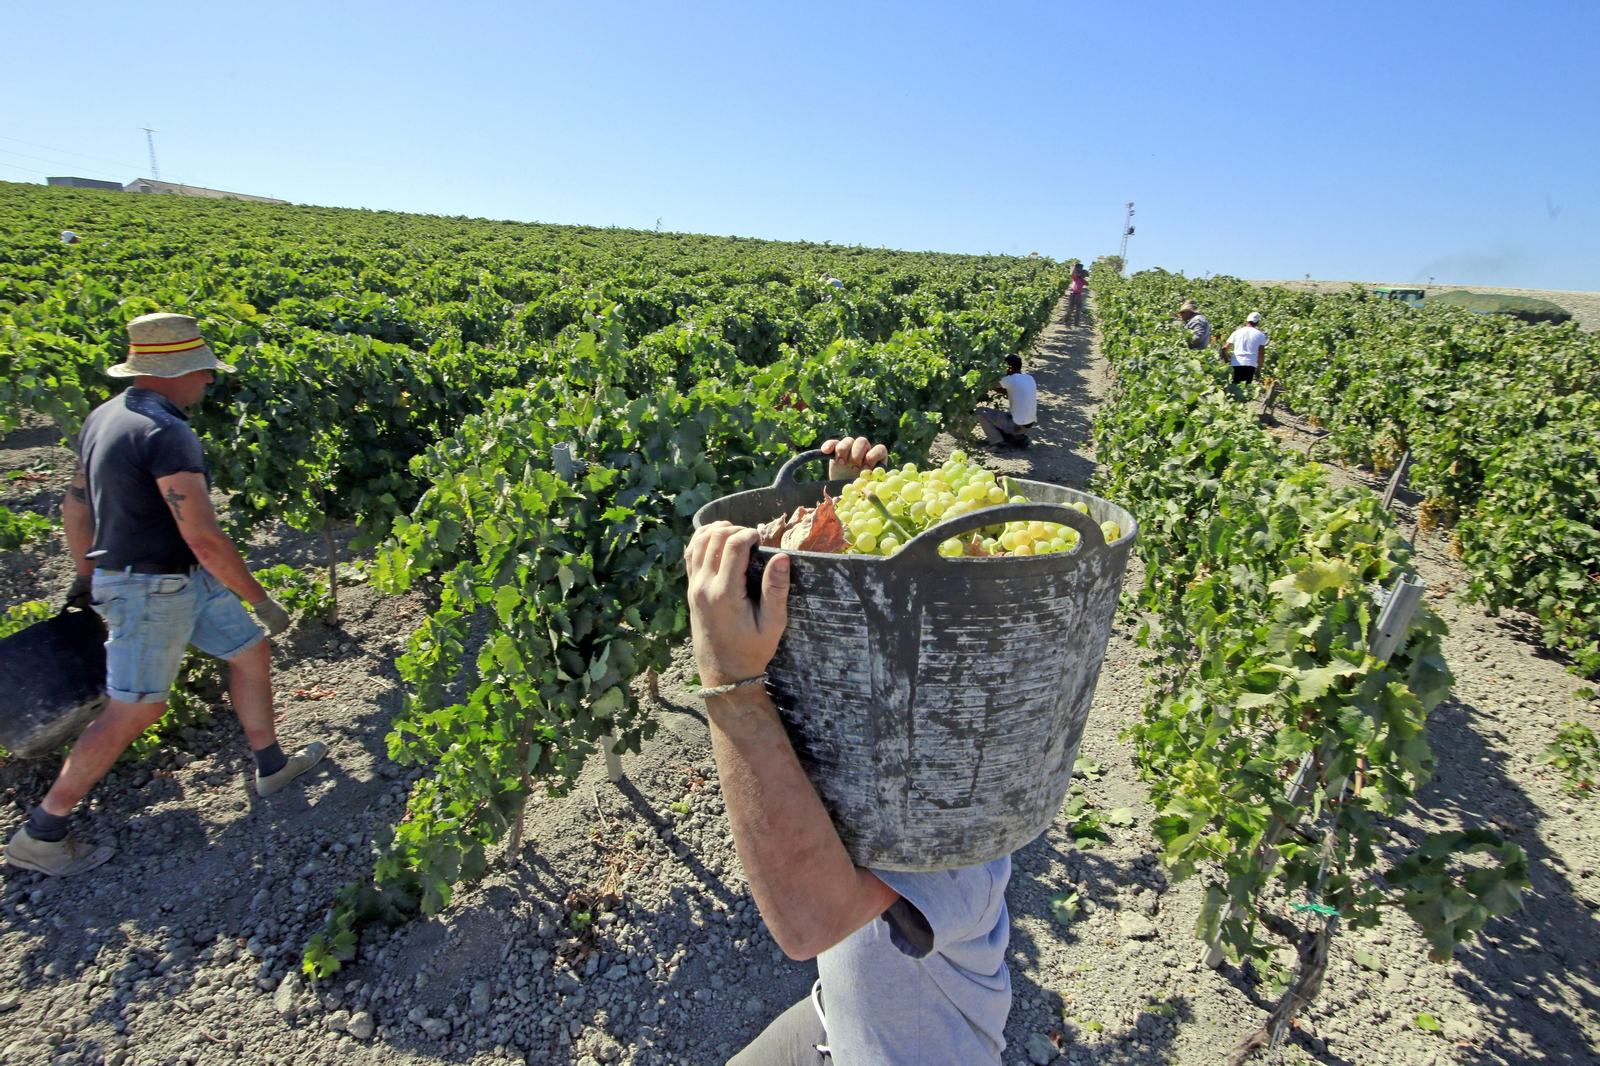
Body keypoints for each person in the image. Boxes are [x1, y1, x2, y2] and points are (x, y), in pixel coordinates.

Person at [694, 436, 1012, 1066]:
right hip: (835, 1016)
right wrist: (836, 523)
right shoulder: (887, 725)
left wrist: (728, 680)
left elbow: (809, 921)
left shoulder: (959, 806)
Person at [5, 313, 324, 878]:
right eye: (202, 370)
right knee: (137, 708)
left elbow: (75, 507)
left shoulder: (106, 416)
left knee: (250, 653)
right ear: (177, 371)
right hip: (153, 588)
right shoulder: (166, 433)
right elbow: (203, 534)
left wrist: (86, 577)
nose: (208, 381)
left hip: (178, 581)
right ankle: (42, 831)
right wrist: (258, 598)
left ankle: (272, 765)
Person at [975, 355, 1037, 448]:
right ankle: (1016, 438)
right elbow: (1006, 391)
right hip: (1027, 426)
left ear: (1010, 368)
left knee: (980, 412)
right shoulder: (1029, 378)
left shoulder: (1011, 379)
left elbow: (991, 385)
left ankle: (997, 443)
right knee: (1003, 417)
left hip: (1016, 425)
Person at [1222, 311, 1269, 385]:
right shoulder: (1261, 335)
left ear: (1246, 321)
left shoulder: (1237, 332)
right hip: (1250, 364)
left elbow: (1225, 348)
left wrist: (1226, 360)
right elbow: (1261, 353)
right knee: (1246, 389)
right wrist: (1259, 368)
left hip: (1236, 363)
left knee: (1235, 388)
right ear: (1257, 323)